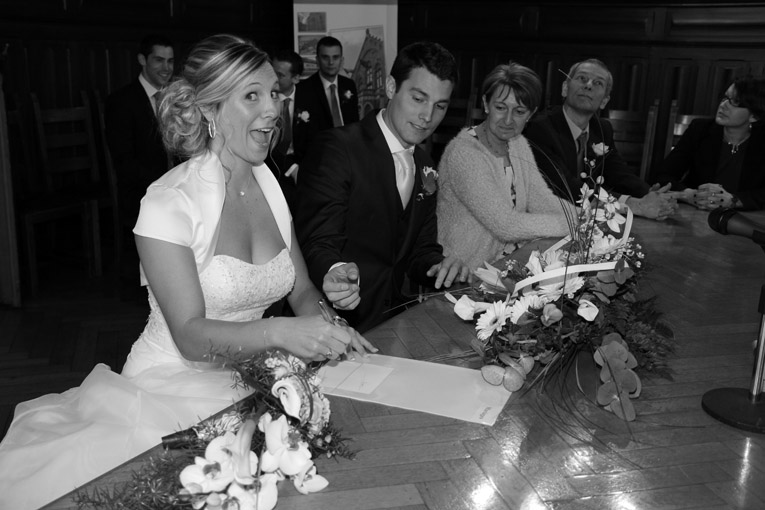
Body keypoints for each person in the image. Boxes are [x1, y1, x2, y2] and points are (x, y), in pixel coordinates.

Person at [0, 34, 374, 510]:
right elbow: (191, 337)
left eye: (273, 93)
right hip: (166, 389)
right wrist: (283, 332)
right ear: (211, 109)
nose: (272, 110)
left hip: (248, 383)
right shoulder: (167, 203)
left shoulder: (269, 183)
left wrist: (328, 322)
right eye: (252, 96)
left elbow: (300, 288)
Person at [295, 41, 470, 333]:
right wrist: (335, 272)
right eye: (418, 98)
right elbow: (317, 241)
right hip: (335, 324)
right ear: (391, 87)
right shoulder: (338, 148)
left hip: (395, 322)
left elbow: (419, 250)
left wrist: (440, 267)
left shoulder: (425, 164)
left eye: (440, 106)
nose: (428, 116)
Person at [437, 62, 576, 270]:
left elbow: (541, 199)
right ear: (486, 104)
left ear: (531, 114)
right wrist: (572, 224)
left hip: (505, 264)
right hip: (462, 271)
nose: (508, 120)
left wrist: (584, 216)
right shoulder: (464, 153)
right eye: (500, 108)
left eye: (519, 111)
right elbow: (505, 225)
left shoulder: (518, 143)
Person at [524, 58, 677, 221]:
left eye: (598, 83)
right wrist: (634, 204)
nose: (588, 85)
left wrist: (651, 195)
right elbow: (565, 187)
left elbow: (619, 173)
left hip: (587, 221)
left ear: (604, 101)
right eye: (582, 78)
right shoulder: (539, 129)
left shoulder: (602, 128)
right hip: (546, 219)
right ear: (565, 88)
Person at [654, 76, 765, 210]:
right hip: (695, 213)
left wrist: (734, 201)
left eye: (735, 102)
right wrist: (689, 194)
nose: (723, 105)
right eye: (725, 98)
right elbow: (663, 175)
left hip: (744, 217)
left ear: (754, 116)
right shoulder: (700, 129)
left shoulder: (761, 140)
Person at [105, 33, 175, 229]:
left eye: (170, 61)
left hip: (177, 188)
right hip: (142, 193)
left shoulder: (175, 97)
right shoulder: (121, 102)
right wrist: (165, 185)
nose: (166, 68)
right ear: (142, 60)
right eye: (159, 60)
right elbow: (124, 162)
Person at [293, 36, 359, 161]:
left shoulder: (349, 85)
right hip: (318, 159)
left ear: (342, 60)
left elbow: (354, 123)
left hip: (349, 156)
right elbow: (300, 135)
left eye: (335, 57)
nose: (331, 62)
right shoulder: (303, 89)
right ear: (317, 60)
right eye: (325, 57)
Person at [268, 48, 303, 210]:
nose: (273, 78)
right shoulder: (265, 100)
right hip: (272, 167)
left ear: (296, 78)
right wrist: (292, 167)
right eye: (272, 72)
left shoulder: (311, 98)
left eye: (280, 75)